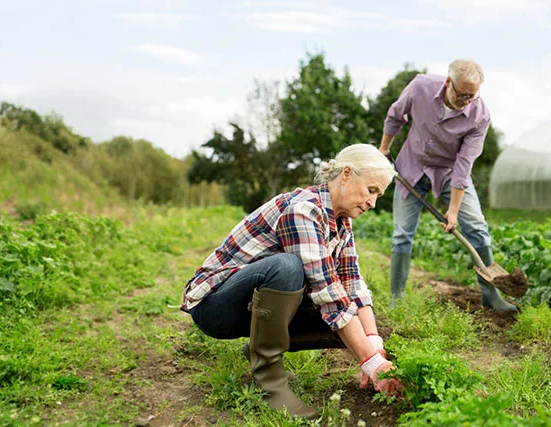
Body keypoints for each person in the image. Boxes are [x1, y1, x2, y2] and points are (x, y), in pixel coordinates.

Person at [180, 144, 402, 419]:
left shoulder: (341, 222)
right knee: (287, 268)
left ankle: (259, 349)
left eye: (378, 195)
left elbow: (352, 283)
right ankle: (270, 384)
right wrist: (370, 362)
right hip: (215, 307)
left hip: (253, 306)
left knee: (349, 319)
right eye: (371, 191)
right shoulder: (303, 210)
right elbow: (329, 294)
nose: (373, 203)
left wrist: (375, 348)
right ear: (346, 174)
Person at [379, 59, 516, 312]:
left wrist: (453, 210)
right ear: (448, 83)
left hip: (449, 173)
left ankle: (491, 296)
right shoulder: (421, 86)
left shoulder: (479, 116)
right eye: (462, 94)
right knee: (402, 234)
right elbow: (396, 115)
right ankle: (396, 300)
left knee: (476, 227)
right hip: (412, 166)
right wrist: (384, 150)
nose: (466, 101)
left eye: (471, 96)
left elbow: (464, 166)